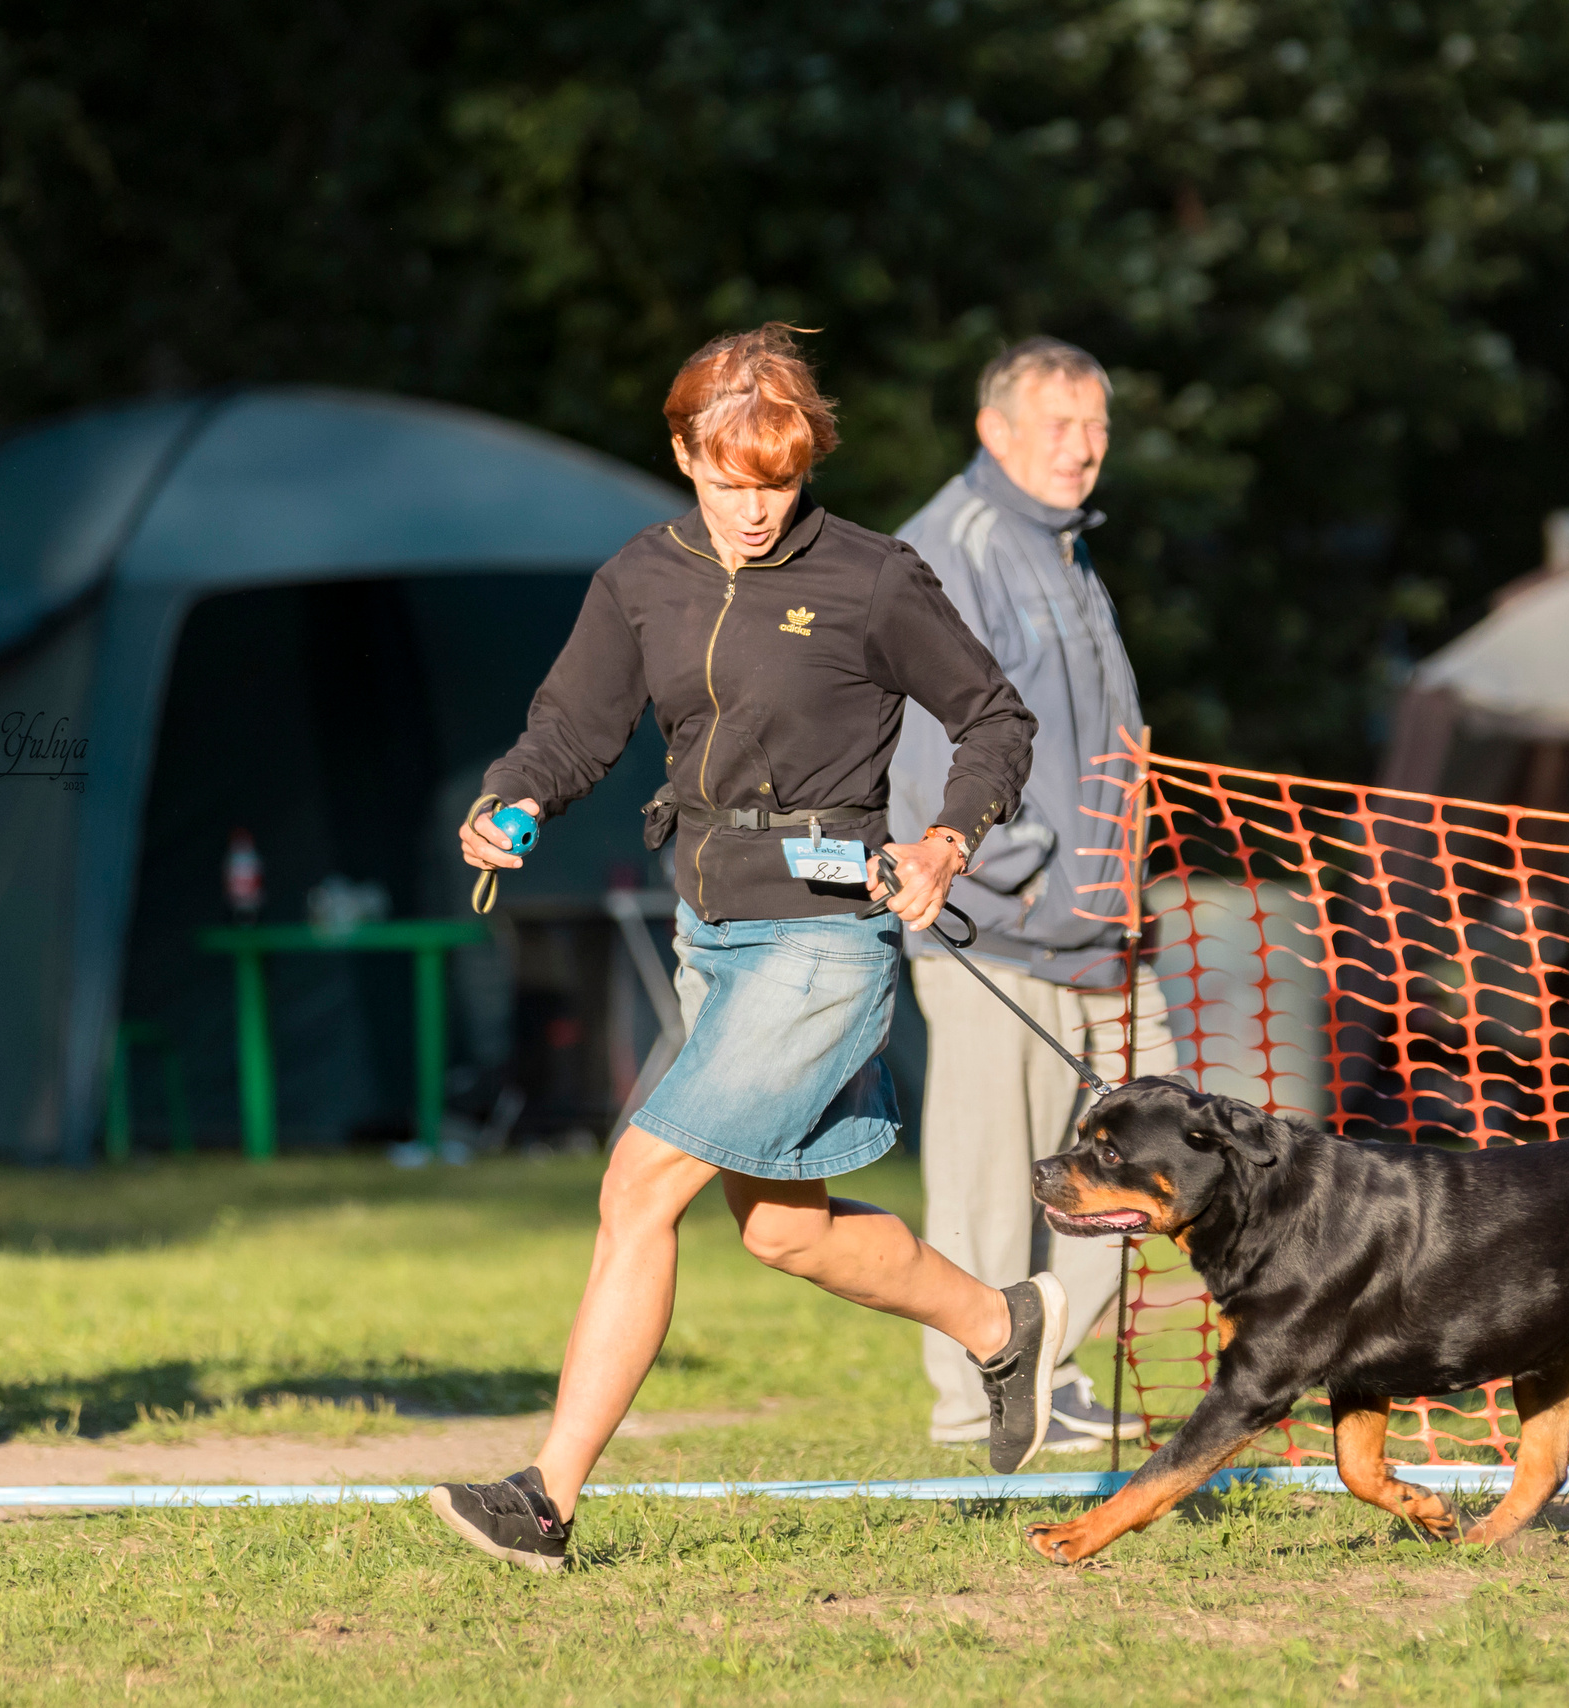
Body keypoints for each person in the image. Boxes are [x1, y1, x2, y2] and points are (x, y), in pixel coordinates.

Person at [431, 325, 1059, 1573]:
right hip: (712, 934)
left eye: (777, 482)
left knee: (636, 1188)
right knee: (782, 1231)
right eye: (729, 481)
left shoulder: (876, 580)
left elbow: (994, 716)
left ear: (805, 463)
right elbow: (573, 725)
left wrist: (943, 841)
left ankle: (544, 1499)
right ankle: (1001, 1319)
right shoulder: (640, 578)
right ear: (683, 451)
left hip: (829, 938)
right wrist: (515, 799)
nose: (755, 509)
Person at [889, 337, 1175, 1455]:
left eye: (1095, 425)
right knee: (989, 1185)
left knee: (1137, 1165)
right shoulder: (950, 549)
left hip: (1104, 930)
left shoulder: (1062, 548)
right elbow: (925, 744)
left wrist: (1118, 880)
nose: (1082, 447)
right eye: (1057, 425)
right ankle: (974, 1397)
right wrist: (1026, 869)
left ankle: (1042, 1371)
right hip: (994, 929)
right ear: (993, 430)